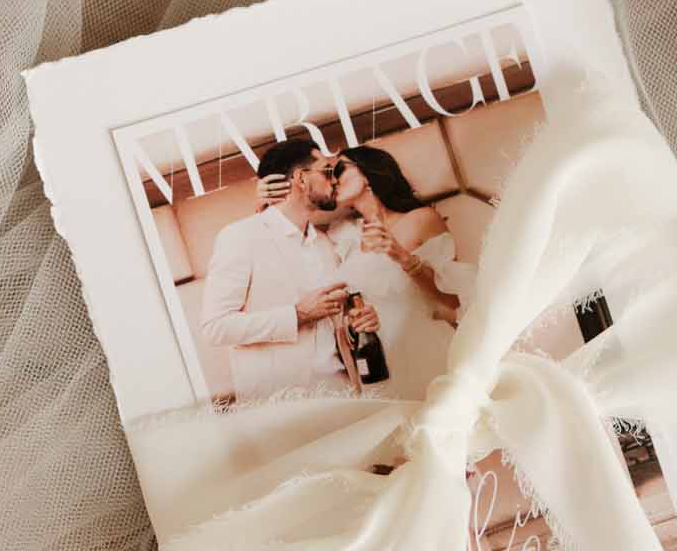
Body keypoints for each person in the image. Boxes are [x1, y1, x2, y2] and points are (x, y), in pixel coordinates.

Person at [198, 139, 380, 403]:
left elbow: (333, 327)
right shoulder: (241, 236)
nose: (334, 181)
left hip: (343, 394)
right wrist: (296, 315)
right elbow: (215, 327)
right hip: (282, 407)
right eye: (327, 172)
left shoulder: (325, 243)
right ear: (301, 179)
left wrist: (357, 324)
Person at [328, 144, 477, 399]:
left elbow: (452, 302)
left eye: (340, 169)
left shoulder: (421, 219)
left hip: (422, 349)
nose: (332, 179)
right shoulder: (344, 236)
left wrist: (403, 258)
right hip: (377, 361)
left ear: (367, 173)